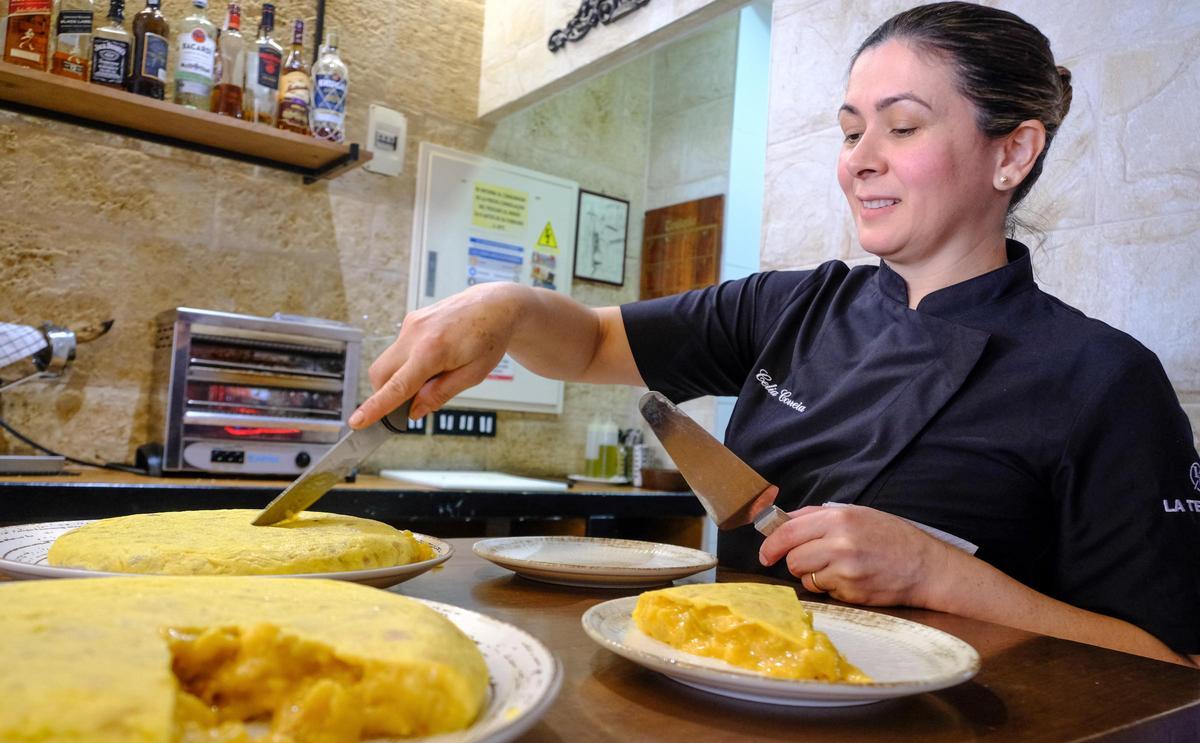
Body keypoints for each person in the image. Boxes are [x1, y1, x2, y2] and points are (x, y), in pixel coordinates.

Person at [349, 2, 1200, 667]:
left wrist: (938, 576)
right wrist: (504, 305)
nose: (860, 158)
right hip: (723, 697)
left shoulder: (1103, 378)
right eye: (850, 129)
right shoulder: (790, 307)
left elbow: (1172, 663)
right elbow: (585, 346)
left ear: (1010, 155)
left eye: (901, 127)